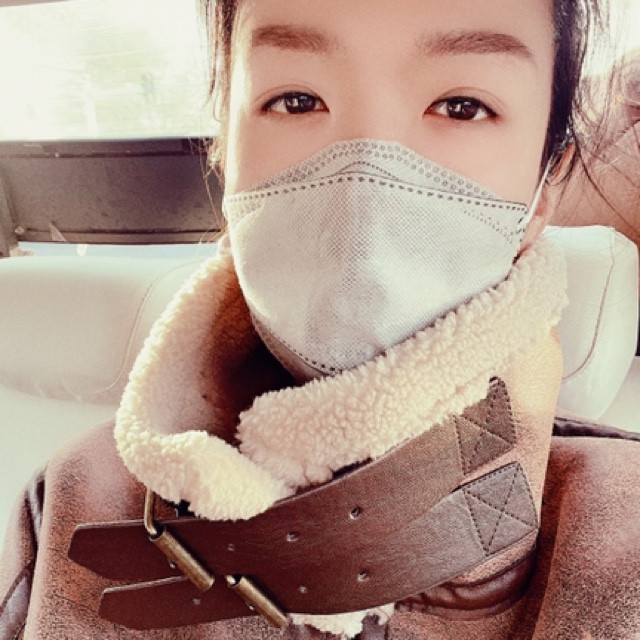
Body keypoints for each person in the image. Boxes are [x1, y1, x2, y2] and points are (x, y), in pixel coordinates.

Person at [1, 1, 639, 639]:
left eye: (461, 107)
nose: (365, 181)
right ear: (226, 156)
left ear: (545, 187)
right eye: (297, 101)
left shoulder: (623, 532)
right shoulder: (74, 496)